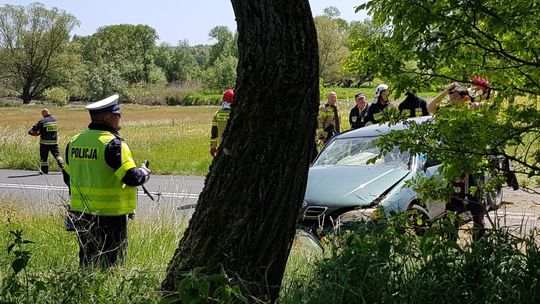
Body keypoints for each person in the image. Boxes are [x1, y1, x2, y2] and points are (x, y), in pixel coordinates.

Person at [62, 94, 150, 268]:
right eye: (118, 115)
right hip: (111, 215)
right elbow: (132, 177)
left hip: (82, 212)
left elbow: (67, 178)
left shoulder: (74, 141)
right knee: (112, 263)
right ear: (108, 118)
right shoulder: (114, 144)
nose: (120, 119)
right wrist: (144, 172)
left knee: (87, 260)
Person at [427, 82, 485, 239]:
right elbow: (431, 108)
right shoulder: (449, 112)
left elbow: (483, 107)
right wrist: (445, 91)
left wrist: (477, 97)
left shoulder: (473, 110)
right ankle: (451, 242)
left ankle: (479, 242)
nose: (452, 102)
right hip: (455, 165)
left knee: (477, 206)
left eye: (454, 99)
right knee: (453, 206)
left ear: (464, 98)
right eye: (450, 99)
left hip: (472, 164)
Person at [28, 108, 64, 174]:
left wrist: (31, 133)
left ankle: (44, 171)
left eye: (42, 114)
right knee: (57, 155)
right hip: (54, 142)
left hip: (44, 143)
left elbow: (34, 129)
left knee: (44, 157)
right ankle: (62, 166)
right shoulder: (55, 121)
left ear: (44, 114)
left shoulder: (43, 121)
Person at [210, 88, 234, 157]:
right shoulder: (236, 114)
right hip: (235, 145)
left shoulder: (217, 114)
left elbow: (214, 133)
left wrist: (213, 147)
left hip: (222, 146)